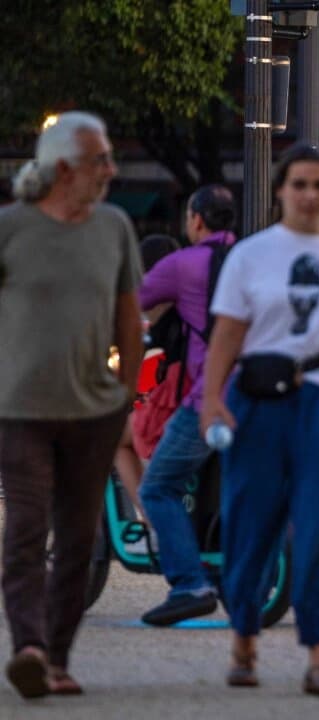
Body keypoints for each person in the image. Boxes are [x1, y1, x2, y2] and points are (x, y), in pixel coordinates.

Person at [200, 144, 319, 695]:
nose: (310, 194)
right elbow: (227, 335)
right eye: (300, 184)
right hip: (258, 403)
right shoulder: (251, 255)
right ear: (281, 191)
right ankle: (244, 639)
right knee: (249, 522)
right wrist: (210, 399)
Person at [0, 111, 142, 698]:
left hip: (93, 412)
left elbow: (128, 319)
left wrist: (125, 396)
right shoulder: (9, 227)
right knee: (28, 529)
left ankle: (56, 659)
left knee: (79, 538)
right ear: (64, 169)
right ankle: (28, 647)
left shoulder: (113, 227)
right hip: (20, 410)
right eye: (99, 160)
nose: (111, 169)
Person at [136, 185, 238, 625]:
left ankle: (188, 583)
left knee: (158, 487)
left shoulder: (182, 264)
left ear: (196, 220)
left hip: (208, 399)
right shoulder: (252, 258)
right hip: (262, 398)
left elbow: (130, 301)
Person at [112, 233, 182, 521]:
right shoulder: (195, 299)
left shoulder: (153, 307)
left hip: (181, 408)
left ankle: (153, 519)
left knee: (113, 435)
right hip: (202, 401)